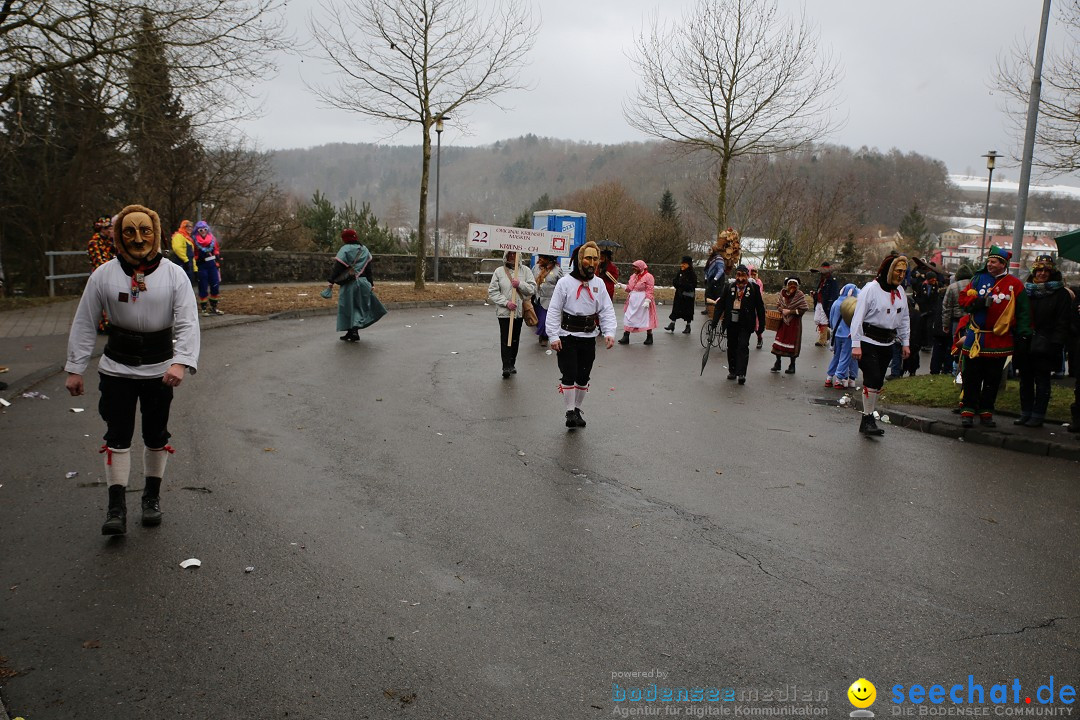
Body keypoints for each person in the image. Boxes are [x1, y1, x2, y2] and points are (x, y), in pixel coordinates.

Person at [64, 204, 201, 535]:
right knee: (117, 436)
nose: (138, 238)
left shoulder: (174, 274)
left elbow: (187, 322)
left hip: (160, 371)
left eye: (145, 231)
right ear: (118, 235)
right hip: (116, 370)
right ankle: (116, 507)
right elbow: (84, 321)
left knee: (156, 435)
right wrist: (75, 367)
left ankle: (151, 499)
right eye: (130, 231)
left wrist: (180, 362)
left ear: (156, 234)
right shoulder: (103, 275)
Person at [957, 245, 1032, 428]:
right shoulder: (977, 279)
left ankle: (986, 411)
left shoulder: (1015, 285)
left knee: (992, 379)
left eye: (994, 262)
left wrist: (1023, 336)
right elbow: (963, 301)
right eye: (988, 261)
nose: (989, 264)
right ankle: (968, 410)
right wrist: (978, 302)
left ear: (1003, 264)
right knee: (971, 377)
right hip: (976, 339)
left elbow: (1023, 313)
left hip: (999, 340)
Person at [545, 241, 617, 428]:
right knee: (569, 374)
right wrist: (553, 336)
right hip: (567, 335)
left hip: (588, 337)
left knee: (584, 376)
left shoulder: (599, 284)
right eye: (588, 258)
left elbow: (606, 310)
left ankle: (577, 409)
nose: (592, 262)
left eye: (595, 258)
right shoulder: (565, 283)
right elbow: (554, 310)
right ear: (579, 260)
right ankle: (569, 412)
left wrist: (609, 332)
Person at [850, 254, 911, 436]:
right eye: (898, 271)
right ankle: (868, 418)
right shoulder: (871, 289)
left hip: (887, 342)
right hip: (868, 340)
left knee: (877, 381)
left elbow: (904, 319)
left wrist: (905, 342)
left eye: (904, 272)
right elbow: (857, 318)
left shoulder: (900, 292)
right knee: (873, 377)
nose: (900, 275)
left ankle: (867, 420)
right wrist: (856, 344)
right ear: (889, 270)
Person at [1014, 256, 1071, 427]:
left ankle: (1038, 415)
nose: (1042, 273)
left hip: (1047, 344)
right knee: (1025, 380)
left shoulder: (1061, 294)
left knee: (1042, 380)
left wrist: (1056, 343)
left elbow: (1063, 321)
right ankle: (1025, 412)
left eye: (1046, 270)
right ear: (1034, 272)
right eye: (1039, 270)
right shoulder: (1025, 292)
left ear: (1052, 273)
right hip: (1025, 342)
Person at [326, 228, 386, 342]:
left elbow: (338, 267)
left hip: (349, 283)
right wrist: (371, 283)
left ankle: (353, 331)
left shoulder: (345, 249)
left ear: (345, 239)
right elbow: (368, 269)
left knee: (349, 307)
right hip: (363, 282)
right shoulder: (365, 250)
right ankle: (351, 331)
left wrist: (331, 280)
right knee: (359, 306)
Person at [488, 250, 537, 378]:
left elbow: (532, 289)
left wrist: (520, 284)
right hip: (505, 312)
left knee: (515, 338)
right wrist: (506, 303)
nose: (512, 256)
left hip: (519, 312)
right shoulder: (499, 271)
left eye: (514, 254)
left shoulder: (525, 271)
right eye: (509, 254)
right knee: (505, 339)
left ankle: (512, 363)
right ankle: (506, 366)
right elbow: (493, 291)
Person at [715, 265, 766, 384]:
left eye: (743, 275)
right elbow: (720, 304)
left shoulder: (754, 288)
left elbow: (760, 308)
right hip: (731, 322)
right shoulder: (729, 287)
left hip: (746, 324)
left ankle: (742, 373)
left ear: (747, 276)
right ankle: (732, 371)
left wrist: (761, 325)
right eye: (738, 275)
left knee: (743, 346)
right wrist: (715, 321)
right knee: (731, 347)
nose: (740, 278)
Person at [770, 277, 809, 374]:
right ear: (787, 285)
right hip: (783, 322)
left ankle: (792, 365)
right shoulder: (782, 294)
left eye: (794, 284)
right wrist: (781, 310)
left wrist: (791, 311)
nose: (792, 286)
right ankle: (777, 363)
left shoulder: (799, 295)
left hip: (794, 323)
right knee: (779, 341)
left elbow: (803, 308)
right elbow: (778, 305)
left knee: (793, 344)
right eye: (790, 284)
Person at [825, 283, 859, 389]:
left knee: (837, 356)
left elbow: (830, 320)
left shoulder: (835, 302)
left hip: (837, 334)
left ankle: (829, 377)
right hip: (847, 335)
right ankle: (839, 379)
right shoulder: (852, 304)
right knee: (846, 357)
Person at [618, 260, 657, 345]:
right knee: (629, 316)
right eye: (633, 266)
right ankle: (626, 336)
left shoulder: (648, 277)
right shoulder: (633, 276)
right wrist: (623, 286)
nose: (634, 268)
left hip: (643, 300)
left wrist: (647, 300)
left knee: (646, 318)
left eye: (635, 267)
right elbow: (630, 288)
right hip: (633, 301)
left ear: (641, 267)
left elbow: (650, 289)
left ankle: (649, 336)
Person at [87, 215, 115, 333]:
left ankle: (108, 323)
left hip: (109, 273)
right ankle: (103, 325)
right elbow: (98, 262)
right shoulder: (94, 242)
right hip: (100, 275)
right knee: (102, 299)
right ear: (102, 229)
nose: (110, 230)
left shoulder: (109, 242)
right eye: (108, 228)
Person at [192, 220, 223, 315]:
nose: (203, 231)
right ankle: (204, 308)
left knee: (215, 285)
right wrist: (198, 258)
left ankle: (214, 307)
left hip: (212, 265)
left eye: (205, 229)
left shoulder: (212, 238)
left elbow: (216, 249)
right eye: (201, 230)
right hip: (202, 265)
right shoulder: (194, 240)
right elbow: (193, 253)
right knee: (203, 286)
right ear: (198, 231)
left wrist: (217, 255)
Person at [533, 254, 563, 346]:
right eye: (540, 257)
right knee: (538, 320)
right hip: (537, 298)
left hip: (550, 300)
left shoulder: (557, 270)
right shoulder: (536, 268)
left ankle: (545, 336)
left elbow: (561, 284)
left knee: (544, 320)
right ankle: (542, 334)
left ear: (549, 260)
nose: (540, 259)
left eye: (543, 258)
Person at [665, 255, 697, 334]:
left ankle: (688, 326)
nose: (682, 265)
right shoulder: (680, 272)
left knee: (687, 312)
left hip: (687, 296)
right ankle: (672, 324)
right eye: (682, 263)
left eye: (684, 264)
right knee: (676, 310)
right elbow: (675, 281)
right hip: (679, 295)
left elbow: (693, 285)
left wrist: (683, 285)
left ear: (689, 265)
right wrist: (677, 283)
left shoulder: (692, 274)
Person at [812, 261, 839, 346]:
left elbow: (834, 295)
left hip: (826, 303)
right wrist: (815, 294)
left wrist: (830, 304)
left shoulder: (832, 282)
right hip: (819, 302)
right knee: (817, 320)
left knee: (824, 321)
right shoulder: (821, 281)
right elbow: (820, 291)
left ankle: (822, 340)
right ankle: (827, 333)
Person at [170, 219, 197, 285]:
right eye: (188, 227)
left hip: (188, 264)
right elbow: (177, 248)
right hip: (181, 263)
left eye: (191, 227)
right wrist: (186, 260)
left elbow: (192, 255)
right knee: (181, 283)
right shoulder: (178, 236)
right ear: (183, 227)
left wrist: (195, 268)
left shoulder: (188, 239)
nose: (190, 228)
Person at [749, 265, 765, 348]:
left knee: (757, 325)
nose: (753, 275)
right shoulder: (746, 281)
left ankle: (760, 338)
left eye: (755, 274)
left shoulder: (758, 282)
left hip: (755, 306)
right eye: (751, 273)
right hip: (747, 306)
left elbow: (760, 293)